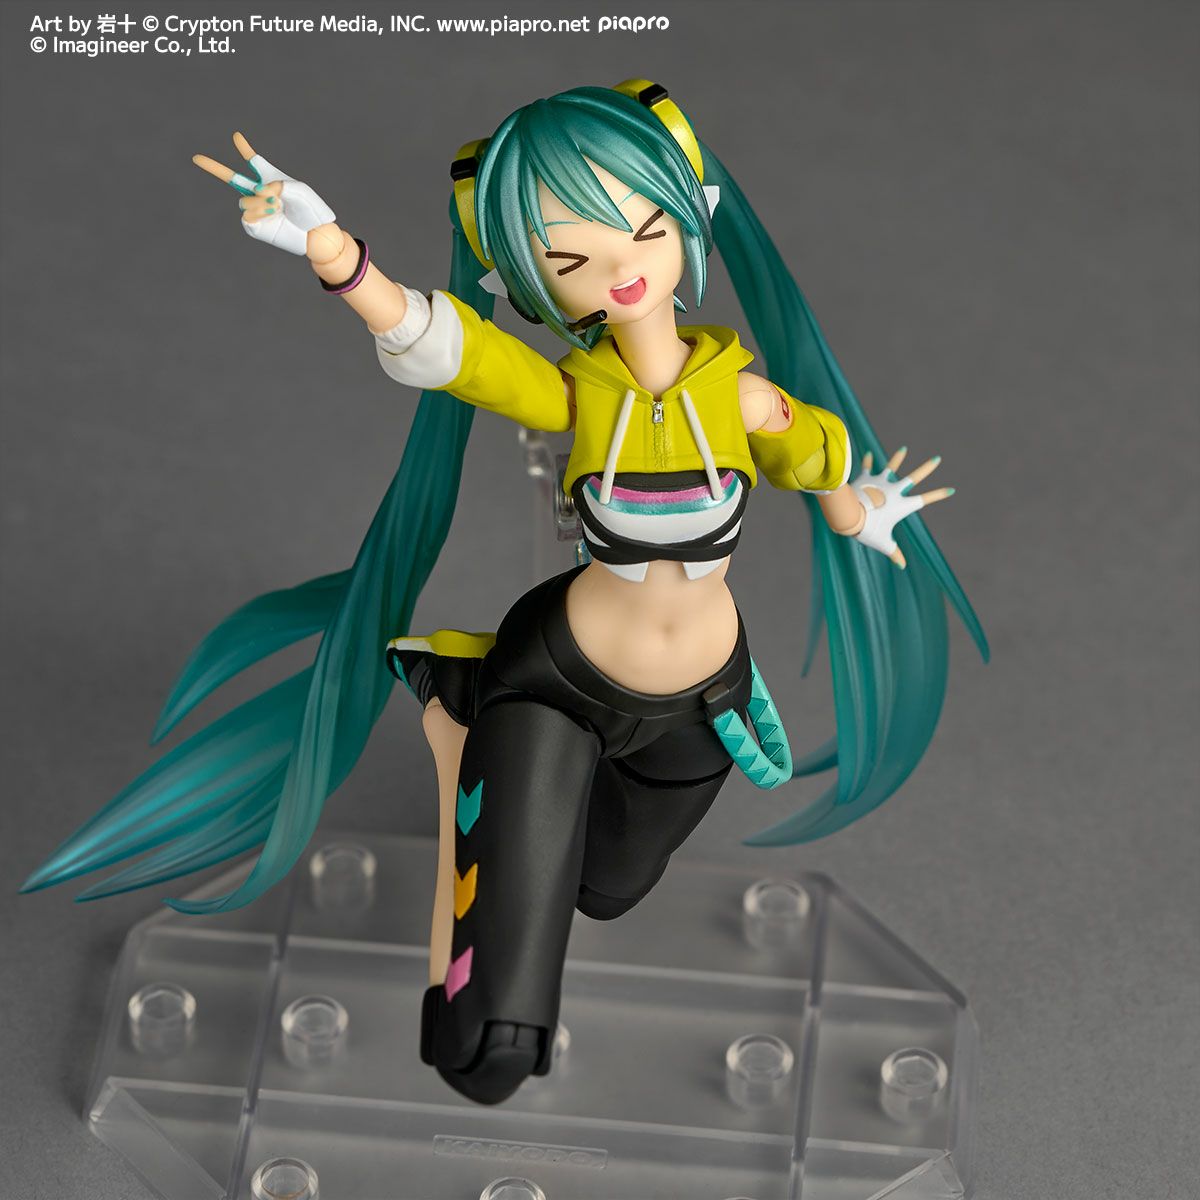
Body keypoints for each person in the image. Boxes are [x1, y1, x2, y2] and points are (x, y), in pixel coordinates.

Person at [22, 82, 986, 1105]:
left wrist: (866, 517)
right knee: (496, 1029)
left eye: (644, 229)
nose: (619, 269)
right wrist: (337, 257)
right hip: (561, 679)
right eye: (570, 260)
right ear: (529, 278)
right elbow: (458, 354)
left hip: (704, 703)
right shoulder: (574, 392)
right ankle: (474, 731)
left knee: (609, 888)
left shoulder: (745, 400)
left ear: (690, 214)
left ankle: (463, 721)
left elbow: (820, 463)